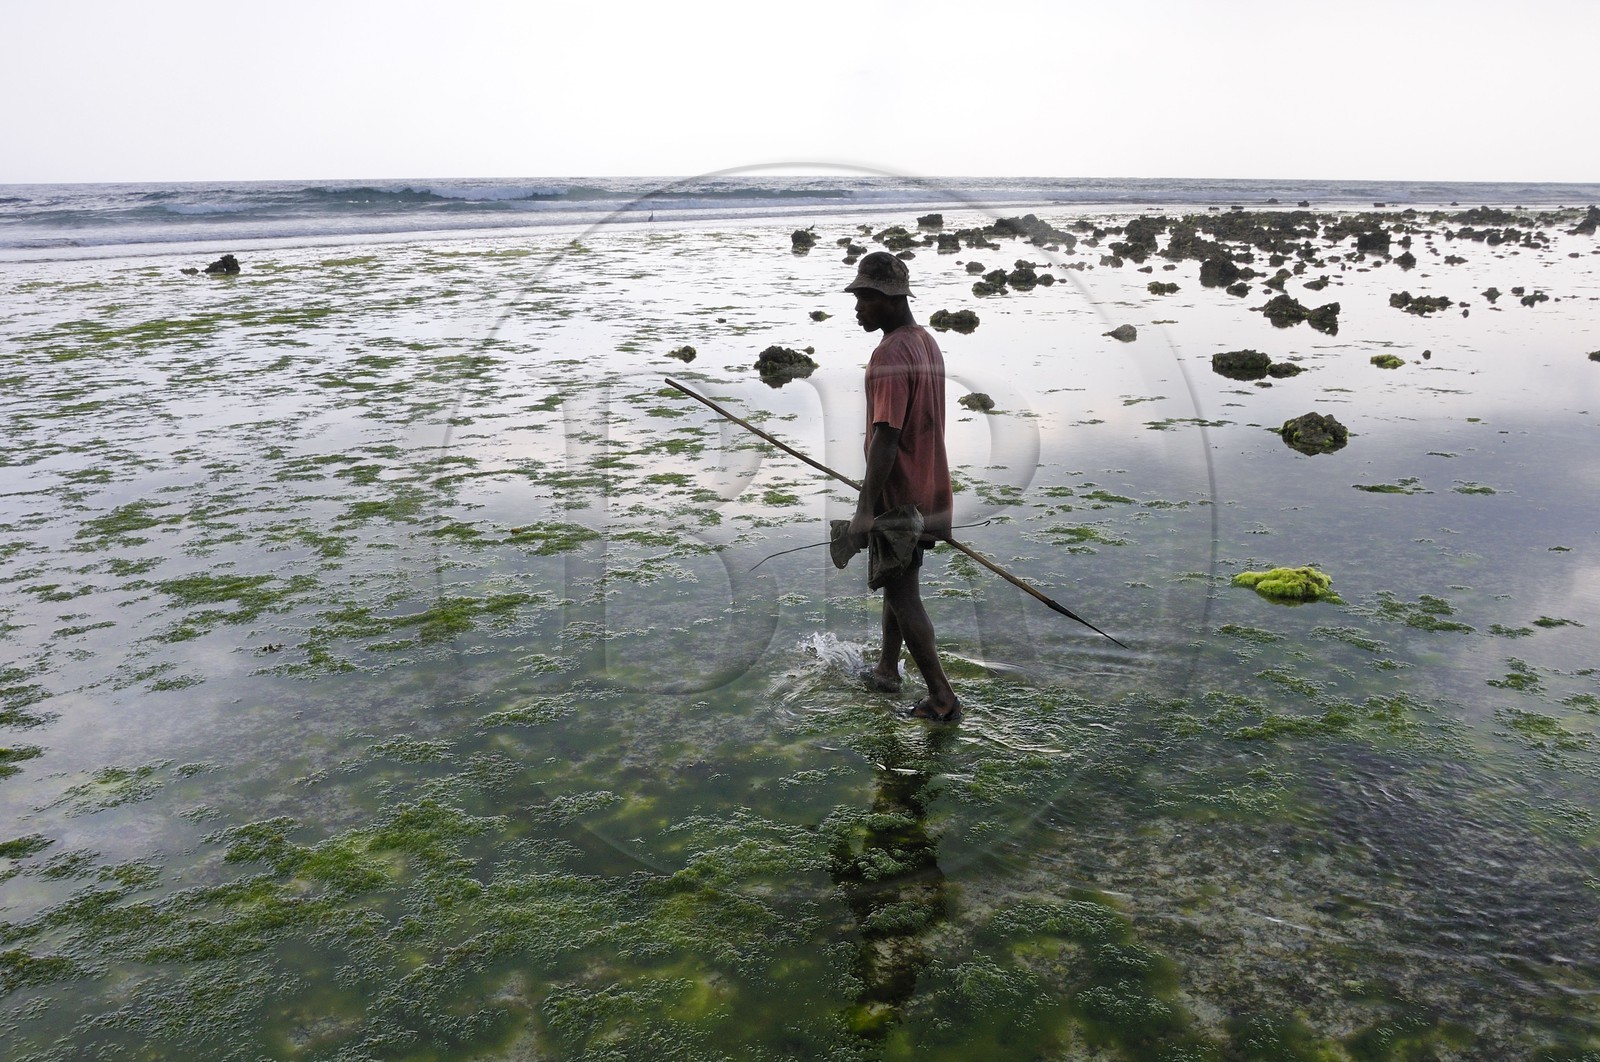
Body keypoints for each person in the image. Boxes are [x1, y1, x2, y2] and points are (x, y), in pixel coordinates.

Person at [844, 251, 960, 721]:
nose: (857, 308)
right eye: (857, 297)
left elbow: (888, 435)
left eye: (866, 298)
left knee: (902, 593)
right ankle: (887, 670)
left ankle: (942, 698)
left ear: (891, 301)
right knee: (900, 581)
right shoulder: (924, 342)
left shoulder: (890, 353)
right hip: (930, 487)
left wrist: (865, 509)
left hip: (899, 493)